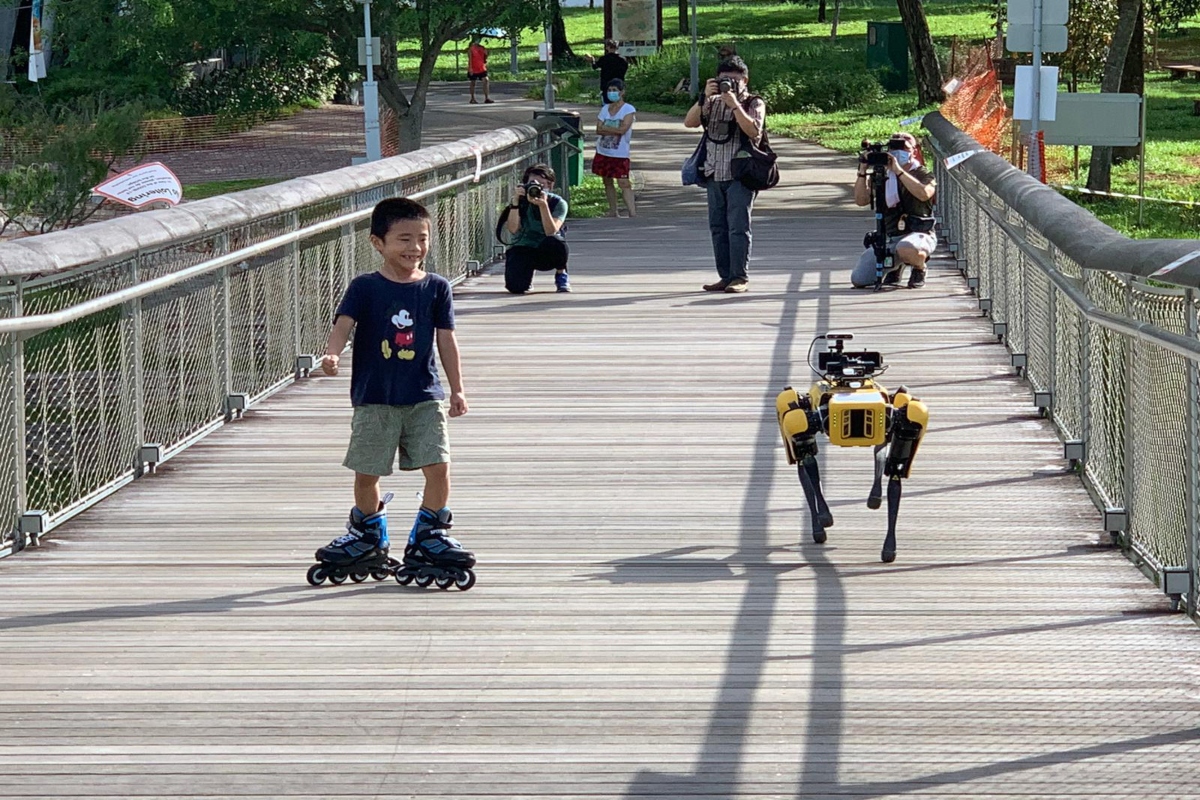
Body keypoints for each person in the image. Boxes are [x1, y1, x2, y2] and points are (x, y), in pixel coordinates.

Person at [314, 198, 475, 585]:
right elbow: (344, 324)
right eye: (404, 239)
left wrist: (457, 389)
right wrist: (332, 354)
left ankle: (430, 533)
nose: (414, 248)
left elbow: (446, 340)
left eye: (422, 239)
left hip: (424, 393)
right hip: (375, 397)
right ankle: (368, 532)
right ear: (377, 243)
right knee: (367, 472)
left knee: (438, 466)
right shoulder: (365, 287)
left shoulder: (436, 287)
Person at [683, 55, 766, 294]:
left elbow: (753, 131)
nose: (728, 84)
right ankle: (725, 275)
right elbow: (689, 123)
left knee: (738, 227)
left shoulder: (754, 103)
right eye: (723, 80)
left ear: (745, 80)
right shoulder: (712, 101)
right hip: (713, 172)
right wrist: (704, 98)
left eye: (733, 80)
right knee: (718, 227)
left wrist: (735, 104)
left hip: (741, 174)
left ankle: (740, 277)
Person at [850, 132, 937, 289]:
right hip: (890, 237)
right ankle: (896, 266)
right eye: (893, 147)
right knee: (859, 279)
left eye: (903, 147)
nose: (898, 152)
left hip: (918, 234)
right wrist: (862, 169)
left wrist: (899, 171)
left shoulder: (922, 173)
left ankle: (919, 268)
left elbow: (924, 194)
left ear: (914, 151)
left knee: (906, 248)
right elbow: (861, 200)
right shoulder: (883, 175)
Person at [502, 163, 571, 294]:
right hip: (524, 246)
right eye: (532, 184)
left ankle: (561, 273)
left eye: (542, 185)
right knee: (515, 287)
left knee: (557, 241)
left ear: (550, 185)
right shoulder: (519, 201)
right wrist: (516, 203)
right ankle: (527, 276)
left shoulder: (557, 203)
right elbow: (513, 229)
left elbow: (551, 231)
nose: (537, 189)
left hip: (546, 248)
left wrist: (543, 206)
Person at [592, 78, 637, 218]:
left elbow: (623, 129)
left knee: (624, 182)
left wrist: (606, 127)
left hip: (620, 153)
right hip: (603, 151)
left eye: (614, 90)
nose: (611, 93)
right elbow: (598, 130)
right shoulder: (605, 108)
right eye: (609, 90)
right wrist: (612, 128)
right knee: (607, 180)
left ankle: (632, 212)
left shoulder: (628, 109)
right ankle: (613, 211)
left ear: (622, 92)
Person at [585, 40, 629, 104]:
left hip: (606, 84)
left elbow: (595, 66)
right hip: (619, 84)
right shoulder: (623, 59)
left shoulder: (604, 59)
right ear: (617, 47)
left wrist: (592, 60)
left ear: (607, 47)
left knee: (607, 104)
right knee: (618, 103)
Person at [467, 35, 493, 104]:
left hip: (481, 67)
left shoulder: (482, 48)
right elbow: (470, 59)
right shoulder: (471, 49)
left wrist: (486, 54)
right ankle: (472, 98)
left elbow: (485, 59)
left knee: (486, 80)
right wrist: (470, 68)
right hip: (474, 68)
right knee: (473, 82)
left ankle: (487, 98)